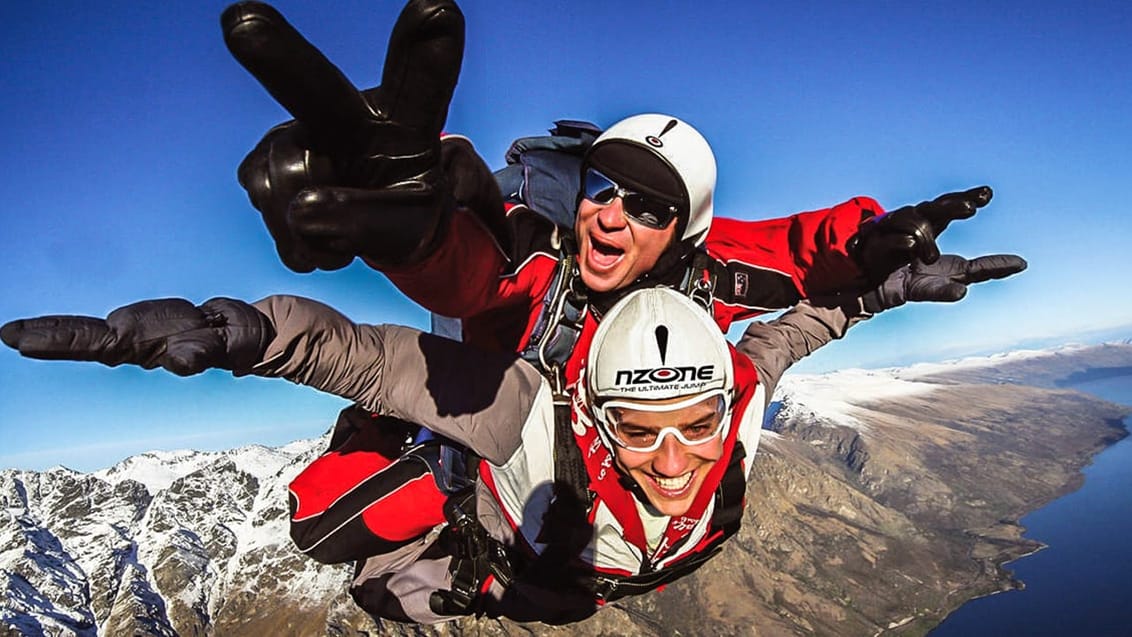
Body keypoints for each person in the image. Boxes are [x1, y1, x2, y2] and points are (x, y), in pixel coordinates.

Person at [1, 255, 1024, 624]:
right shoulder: (529, 413)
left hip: (575, 576)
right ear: (592, 417)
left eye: (696, 425)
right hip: (501, 562)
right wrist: (240, 332)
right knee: (365, 549)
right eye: (639, 431)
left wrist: (881, 290)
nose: (676, 459)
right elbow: (367, 358)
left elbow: (795, 329)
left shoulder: (734, 389)